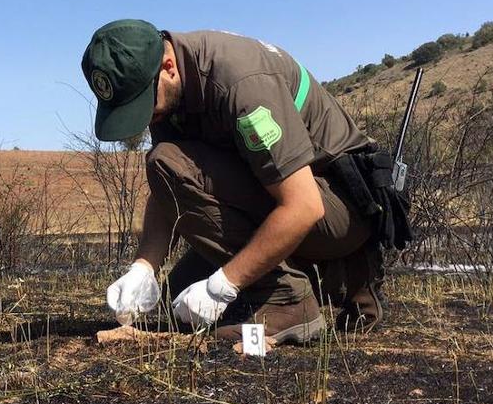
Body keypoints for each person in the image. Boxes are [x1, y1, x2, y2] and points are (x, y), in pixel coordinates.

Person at [82, 19, 406, 347]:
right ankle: (333, 278)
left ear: (168, 67)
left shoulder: (240, 83)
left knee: (165, 162)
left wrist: (223, 284)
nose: (146, 118)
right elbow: (169, 187)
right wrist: (145, 267)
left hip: (336, 209)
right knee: (176, 301)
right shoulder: (169, 89)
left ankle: (291, 301)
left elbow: (304, 205)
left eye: (143, 106)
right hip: (280, 196)